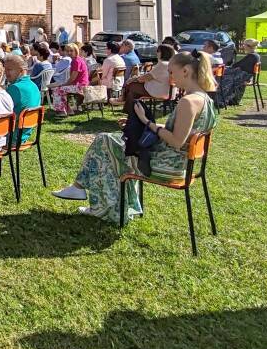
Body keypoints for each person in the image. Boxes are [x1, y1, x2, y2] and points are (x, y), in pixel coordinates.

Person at [52, 50, 218, 222]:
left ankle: (88, 195)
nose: (170, 77)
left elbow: (177, 141)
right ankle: (99, 202)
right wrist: (139, 123)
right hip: (181, 163)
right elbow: (183, 133)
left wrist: (146, 122)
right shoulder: (205, 100)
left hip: (166, 165)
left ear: (185, 71)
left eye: (171, 72)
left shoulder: (188, 102)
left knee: (105, 142)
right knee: (111, 143)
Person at [121, 43, 174, 114]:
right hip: (166, 90)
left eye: (158, 51)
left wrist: (134, 79)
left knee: (131, 85)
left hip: (158, 91)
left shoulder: (162, 65)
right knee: (132, 92)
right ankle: (131, 111)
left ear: (162, 53)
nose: (156, 53)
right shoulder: (171, 64)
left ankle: (125, 104)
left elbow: (145, 78)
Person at [4, 54, 41, 145]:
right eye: (5, 69)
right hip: (24, 134)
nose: (6, 73)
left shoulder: (15, 88)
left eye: (9, 69)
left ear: (21, 70)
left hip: (11, 137)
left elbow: (0, 114)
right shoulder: (33, 85)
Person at [217, 38, 262, 108]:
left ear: (248, 46)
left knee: (224, 78)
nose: (243, 46)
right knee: (225, 75)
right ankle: (230, 100)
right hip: (245, 77)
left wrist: (224, 68)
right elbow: (238, 66)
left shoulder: (252, 56)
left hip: (242, 78)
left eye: (244, 45)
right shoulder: (255, 55)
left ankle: (221, 101)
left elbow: (236, 66)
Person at [51, 43, 90, 116]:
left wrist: (64, 84)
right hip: (81, 84)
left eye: (71, 51)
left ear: (76, 51)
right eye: (67, 51)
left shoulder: (76, 61)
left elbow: (73, 78)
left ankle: (61, 111)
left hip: (80, 86)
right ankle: (69, 110)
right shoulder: (78, 59)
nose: (69, 53)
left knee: (57, 90)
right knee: (61, 89)